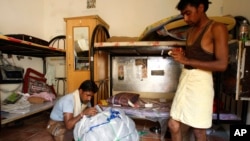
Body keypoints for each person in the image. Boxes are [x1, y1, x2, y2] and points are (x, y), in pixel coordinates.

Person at [168, 0, 228, 141]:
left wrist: (186, 60)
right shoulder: (191, 31)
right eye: (183, 15)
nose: (185, 19)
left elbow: (222, 64)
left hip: (201, 82)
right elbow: (193, 56)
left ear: (201, 8)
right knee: (173, 124)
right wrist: (182, 55)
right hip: (186, 79)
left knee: (198, 131)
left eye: (188, 13)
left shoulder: (217, 28)